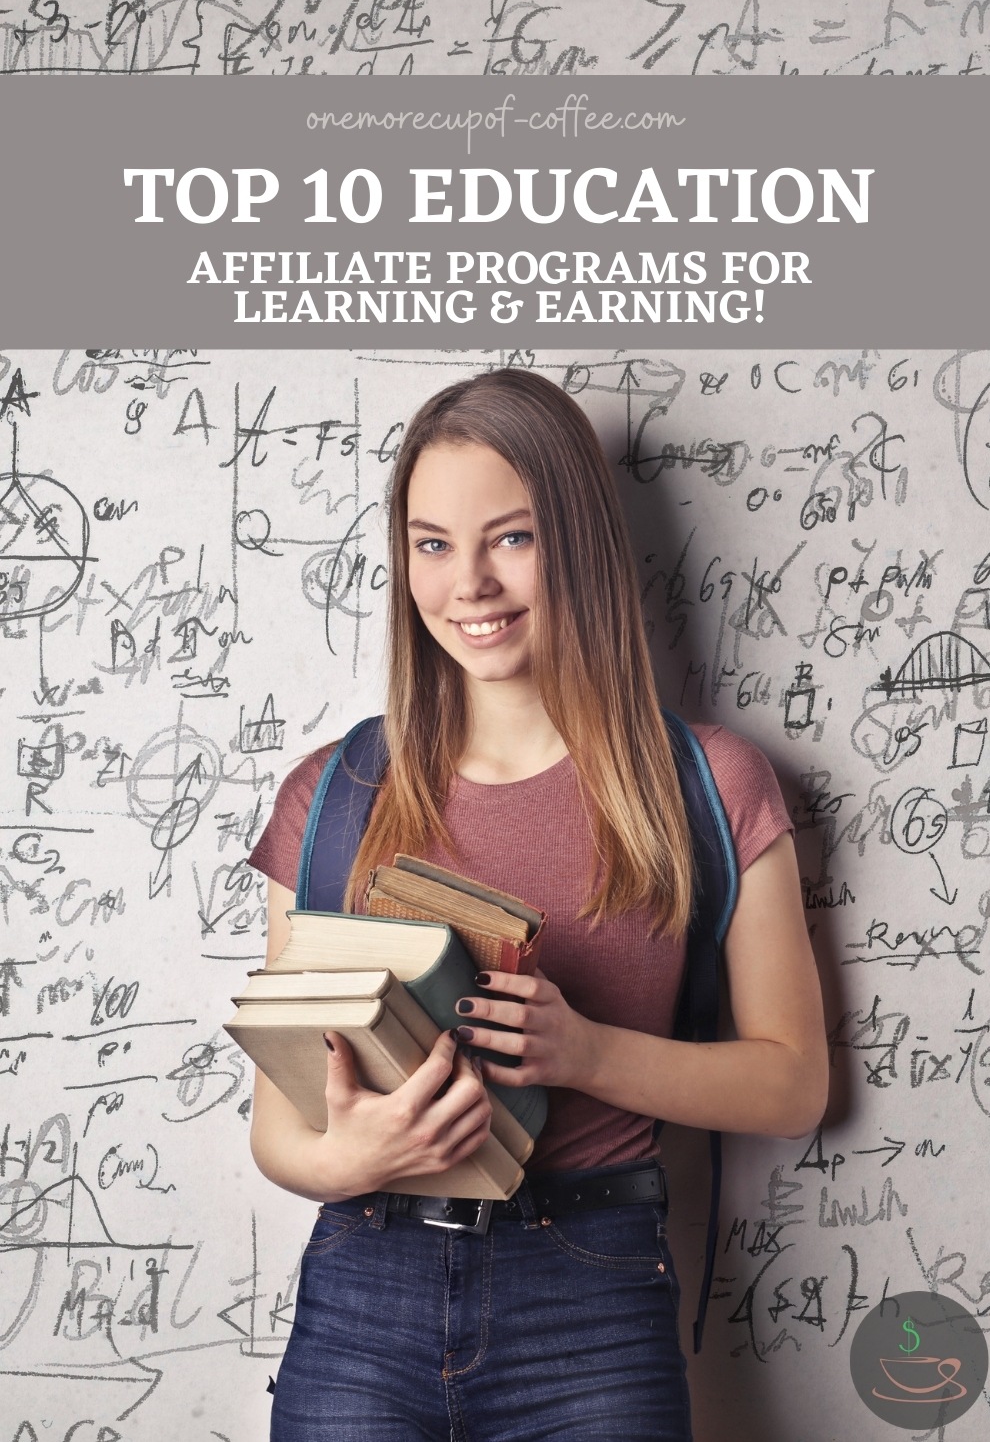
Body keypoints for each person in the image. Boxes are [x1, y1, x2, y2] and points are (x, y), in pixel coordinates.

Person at [246, 368, 828, 1442]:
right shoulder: (330, 795)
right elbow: (282, 1127)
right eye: (431, 544)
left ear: (579, 542)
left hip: (592, 1301)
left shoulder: (710, 784)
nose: (467, 583)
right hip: (360, 1292)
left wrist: (585, 1053)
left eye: (509, 538)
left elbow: (793, 1084)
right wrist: (351, 1159)